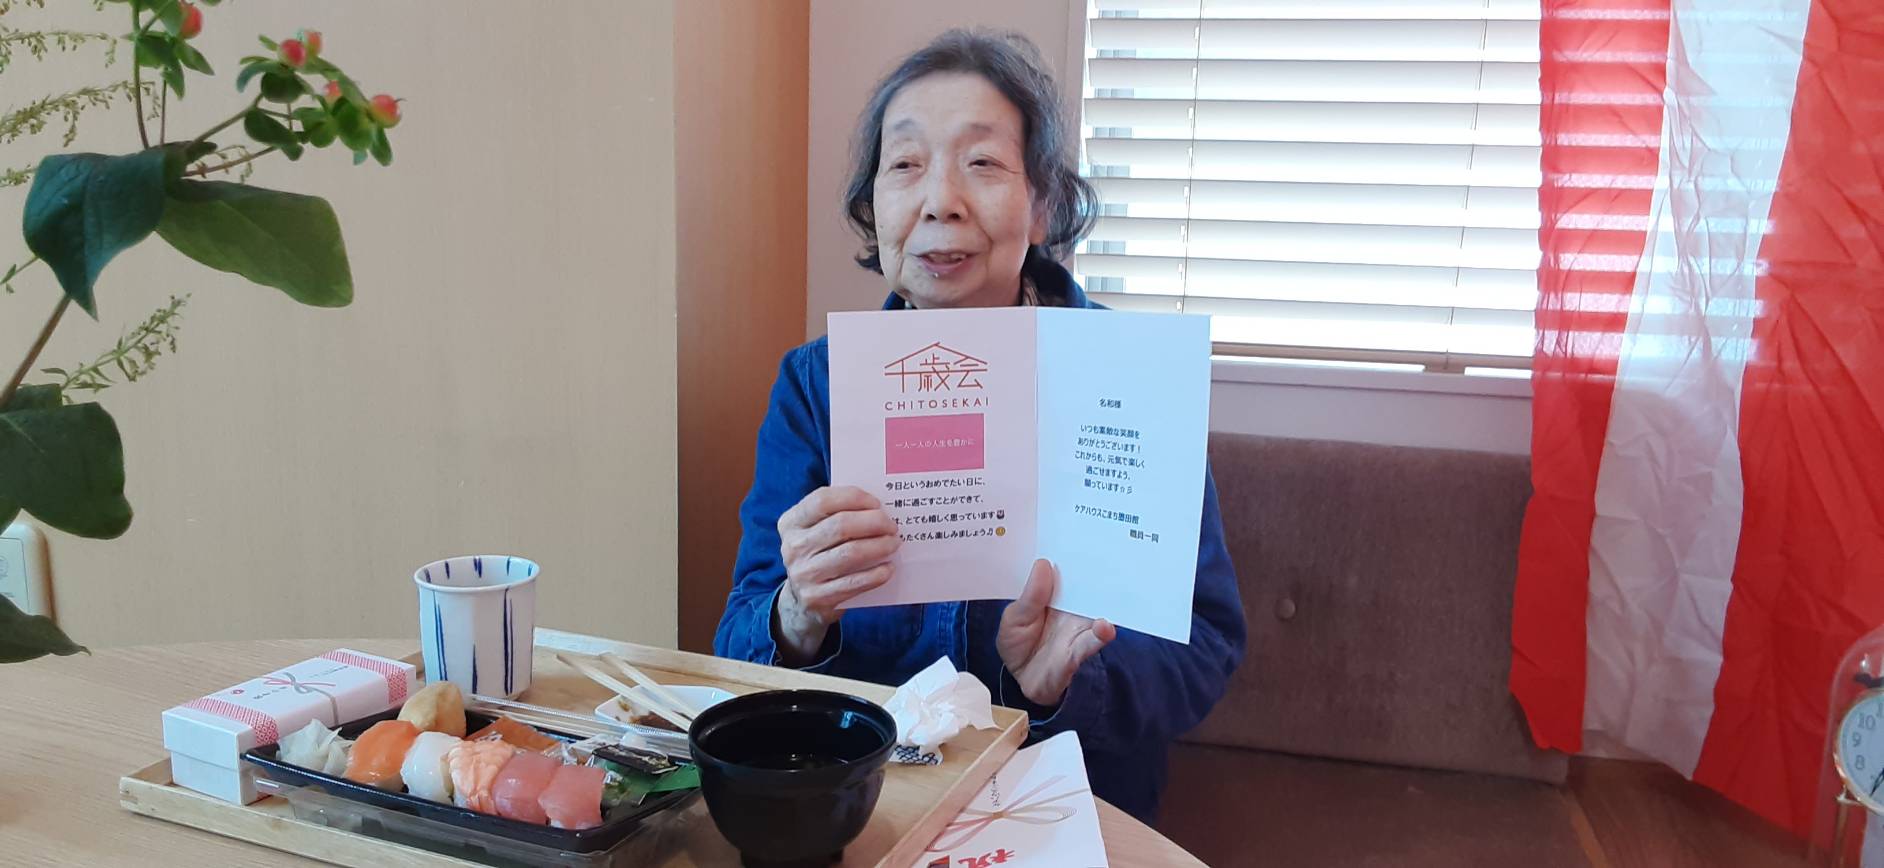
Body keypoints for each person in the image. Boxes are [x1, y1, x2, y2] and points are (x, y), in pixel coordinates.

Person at [713, 29, 1245, 822]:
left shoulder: (1131, 379)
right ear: (874, 211)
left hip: (1070, 805)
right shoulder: (814, 388)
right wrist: (799, 613)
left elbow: (1206, 644)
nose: (941, 200)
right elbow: (738, 638)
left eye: (983, 162)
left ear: (1044, 206)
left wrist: (1070, 683)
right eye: (905, 164)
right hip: (866, 803)